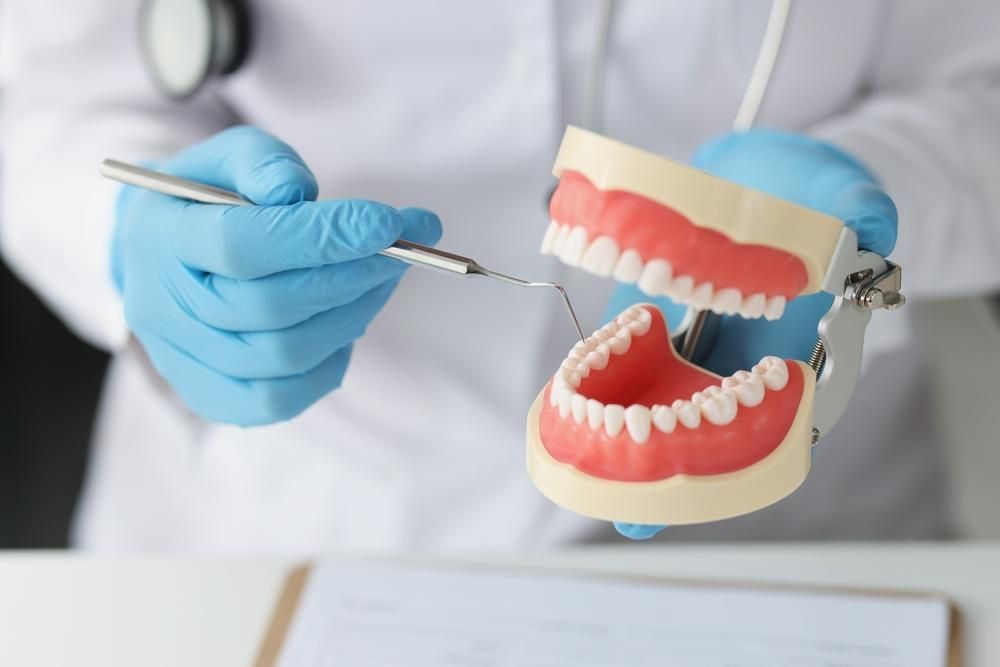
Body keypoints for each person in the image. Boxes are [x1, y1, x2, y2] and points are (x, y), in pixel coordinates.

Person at [1, 0, 998, 553]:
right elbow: (38, 93)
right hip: (289, 520)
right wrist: (127, 235)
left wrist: (870, 199)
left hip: (804, 540)